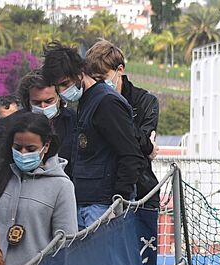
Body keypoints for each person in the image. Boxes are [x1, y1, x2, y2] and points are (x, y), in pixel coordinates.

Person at [86, 40, 162, 265]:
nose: (100, 85)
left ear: (120, 71)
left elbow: (138, 144)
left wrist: (134, 140)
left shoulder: (144, 101)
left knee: (142, 261)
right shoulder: (90, 100)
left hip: (141, 191)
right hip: (103, 190)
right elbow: (143, 145)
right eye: (95, 80)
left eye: (104, 79)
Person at [42, 42, 149, 229]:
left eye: (66, 84)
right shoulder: (86, 101)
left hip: (102, 204)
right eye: (59, 87)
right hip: (83, 200)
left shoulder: (106, 102)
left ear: (80, 73)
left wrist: (119, 201)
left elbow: (130, 153)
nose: (63, 91)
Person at [0, 112, 78, 265]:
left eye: (31, 148)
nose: (23, 153)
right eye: (18, 148)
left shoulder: (61, 186)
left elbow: (65, 243)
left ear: (46, 146)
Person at [17, 71, 76, 177]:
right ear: (28, 101)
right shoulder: (15, 123)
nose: (43, 106)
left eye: (49, 101)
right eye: (36, 103)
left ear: (59, 97)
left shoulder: (73, 120)